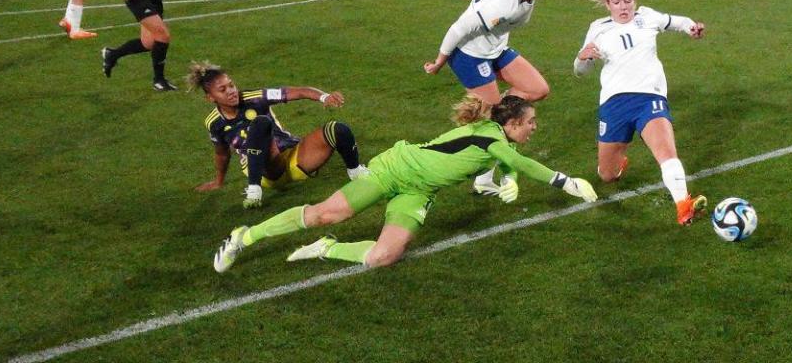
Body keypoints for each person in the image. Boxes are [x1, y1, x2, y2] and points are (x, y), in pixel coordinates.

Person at [212, 95, 598, 273]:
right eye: (531, 122)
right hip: (393, 169)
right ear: (513, 124)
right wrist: (565, 182)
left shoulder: (494, 133)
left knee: (383, 256)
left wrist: (511, 178)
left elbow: (508, 159)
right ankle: (244, 237)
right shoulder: (494, 138)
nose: (534, 127)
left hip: (418, 191)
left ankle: (327, 251)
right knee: (324, 214)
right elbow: (515, 158)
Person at [573, 0, 707, 226]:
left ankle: (683, 205)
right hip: (614, 105)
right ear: (607, 3)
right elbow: (580, 70)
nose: (623, 7)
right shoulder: (598, 28)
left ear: (635, 0)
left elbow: (676, 21)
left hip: (650, 98)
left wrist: (691, 27)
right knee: (607, 176)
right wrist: (583, 58)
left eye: (628, 1)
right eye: (617, 2)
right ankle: (618, 163)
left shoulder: (647, 17)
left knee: (667, 154)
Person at [425, 0, 550, 194]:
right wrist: (439, 61)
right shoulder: (502, 5)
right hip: (469, 55)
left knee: (538, 89)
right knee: (495, 119)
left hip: (496, 49)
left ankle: (492, 111)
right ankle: (482, 177)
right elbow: (458, 29)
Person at [187, 61, 369, 209]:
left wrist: (325, 97)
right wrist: (218, 181)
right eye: (223, 90)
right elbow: (221, 153)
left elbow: (298, 91)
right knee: (261, 123)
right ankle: (254, 190)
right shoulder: (214, 122)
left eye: (231, 85)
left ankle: (356, 173)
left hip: (292, 158)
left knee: (337, 129)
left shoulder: (255, 97)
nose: (231, 91)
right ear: (210, 98)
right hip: (264, 172)